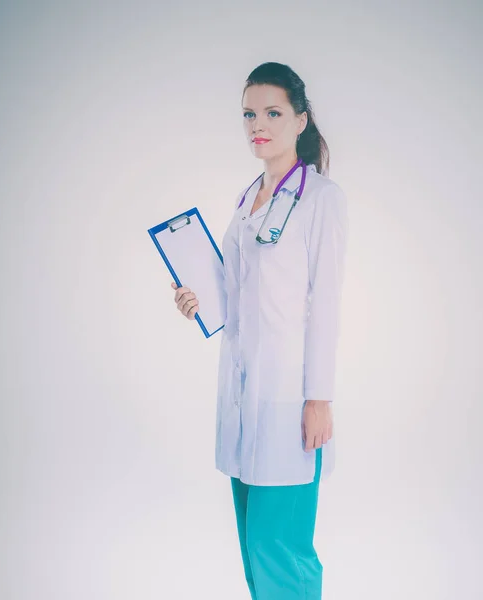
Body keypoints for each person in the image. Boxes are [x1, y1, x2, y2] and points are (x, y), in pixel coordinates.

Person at [172, 62, 348, 600]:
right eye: (249, 114)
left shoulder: (321, 199)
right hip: (242, 396)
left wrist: (318, 398)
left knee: (283, 551)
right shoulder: (247, 199)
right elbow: (236, 294)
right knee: (254, 549)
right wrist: (197, 298)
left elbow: (327, 306)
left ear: (300, 120)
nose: (257, 125)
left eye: (272, 112)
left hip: (288, 399)